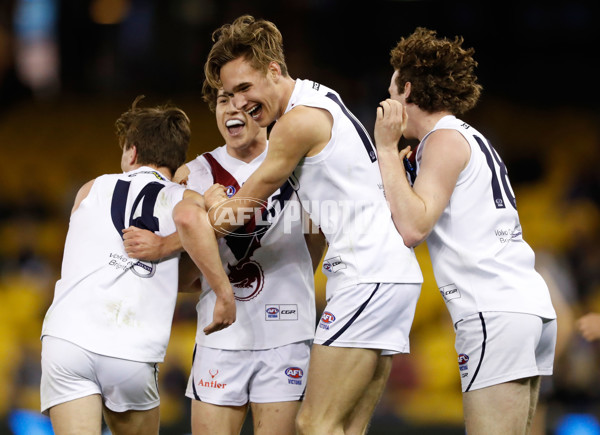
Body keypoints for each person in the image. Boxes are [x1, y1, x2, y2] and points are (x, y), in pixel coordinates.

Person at [198, 15, 423, 435]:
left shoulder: (296, 123)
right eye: (228, 94)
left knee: (314, 424)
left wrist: (211, 203)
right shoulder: (320, 98)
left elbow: (240, 212)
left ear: (274, 71)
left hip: (367, 274)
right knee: (345, 429)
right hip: (387, 273)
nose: (239, 104)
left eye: (245, 88)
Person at [373, 27, 557, 434]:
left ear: (406, 89)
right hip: (522, 305)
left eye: (390, 90)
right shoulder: (467, 138)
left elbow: (412, 227)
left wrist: (385, 150)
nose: (386, 101)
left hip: (492, 308)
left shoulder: (442, 140)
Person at [122, 84, 327, 435]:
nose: (232, 109)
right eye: (223, 101)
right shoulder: (193, 175)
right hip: (221, 338)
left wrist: (291, 283)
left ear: (263, 107)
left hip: (286, 335)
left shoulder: (298, 160)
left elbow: (316, 235)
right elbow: (182, 272)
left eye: (243, 101)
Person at [39, 96, 235, 435]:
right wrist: (209, 203)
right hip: (129, 348)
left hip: (66, 338)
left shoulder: (89, 189)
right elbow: (192, 222)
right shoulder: (181, 197)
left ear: (131, 152)